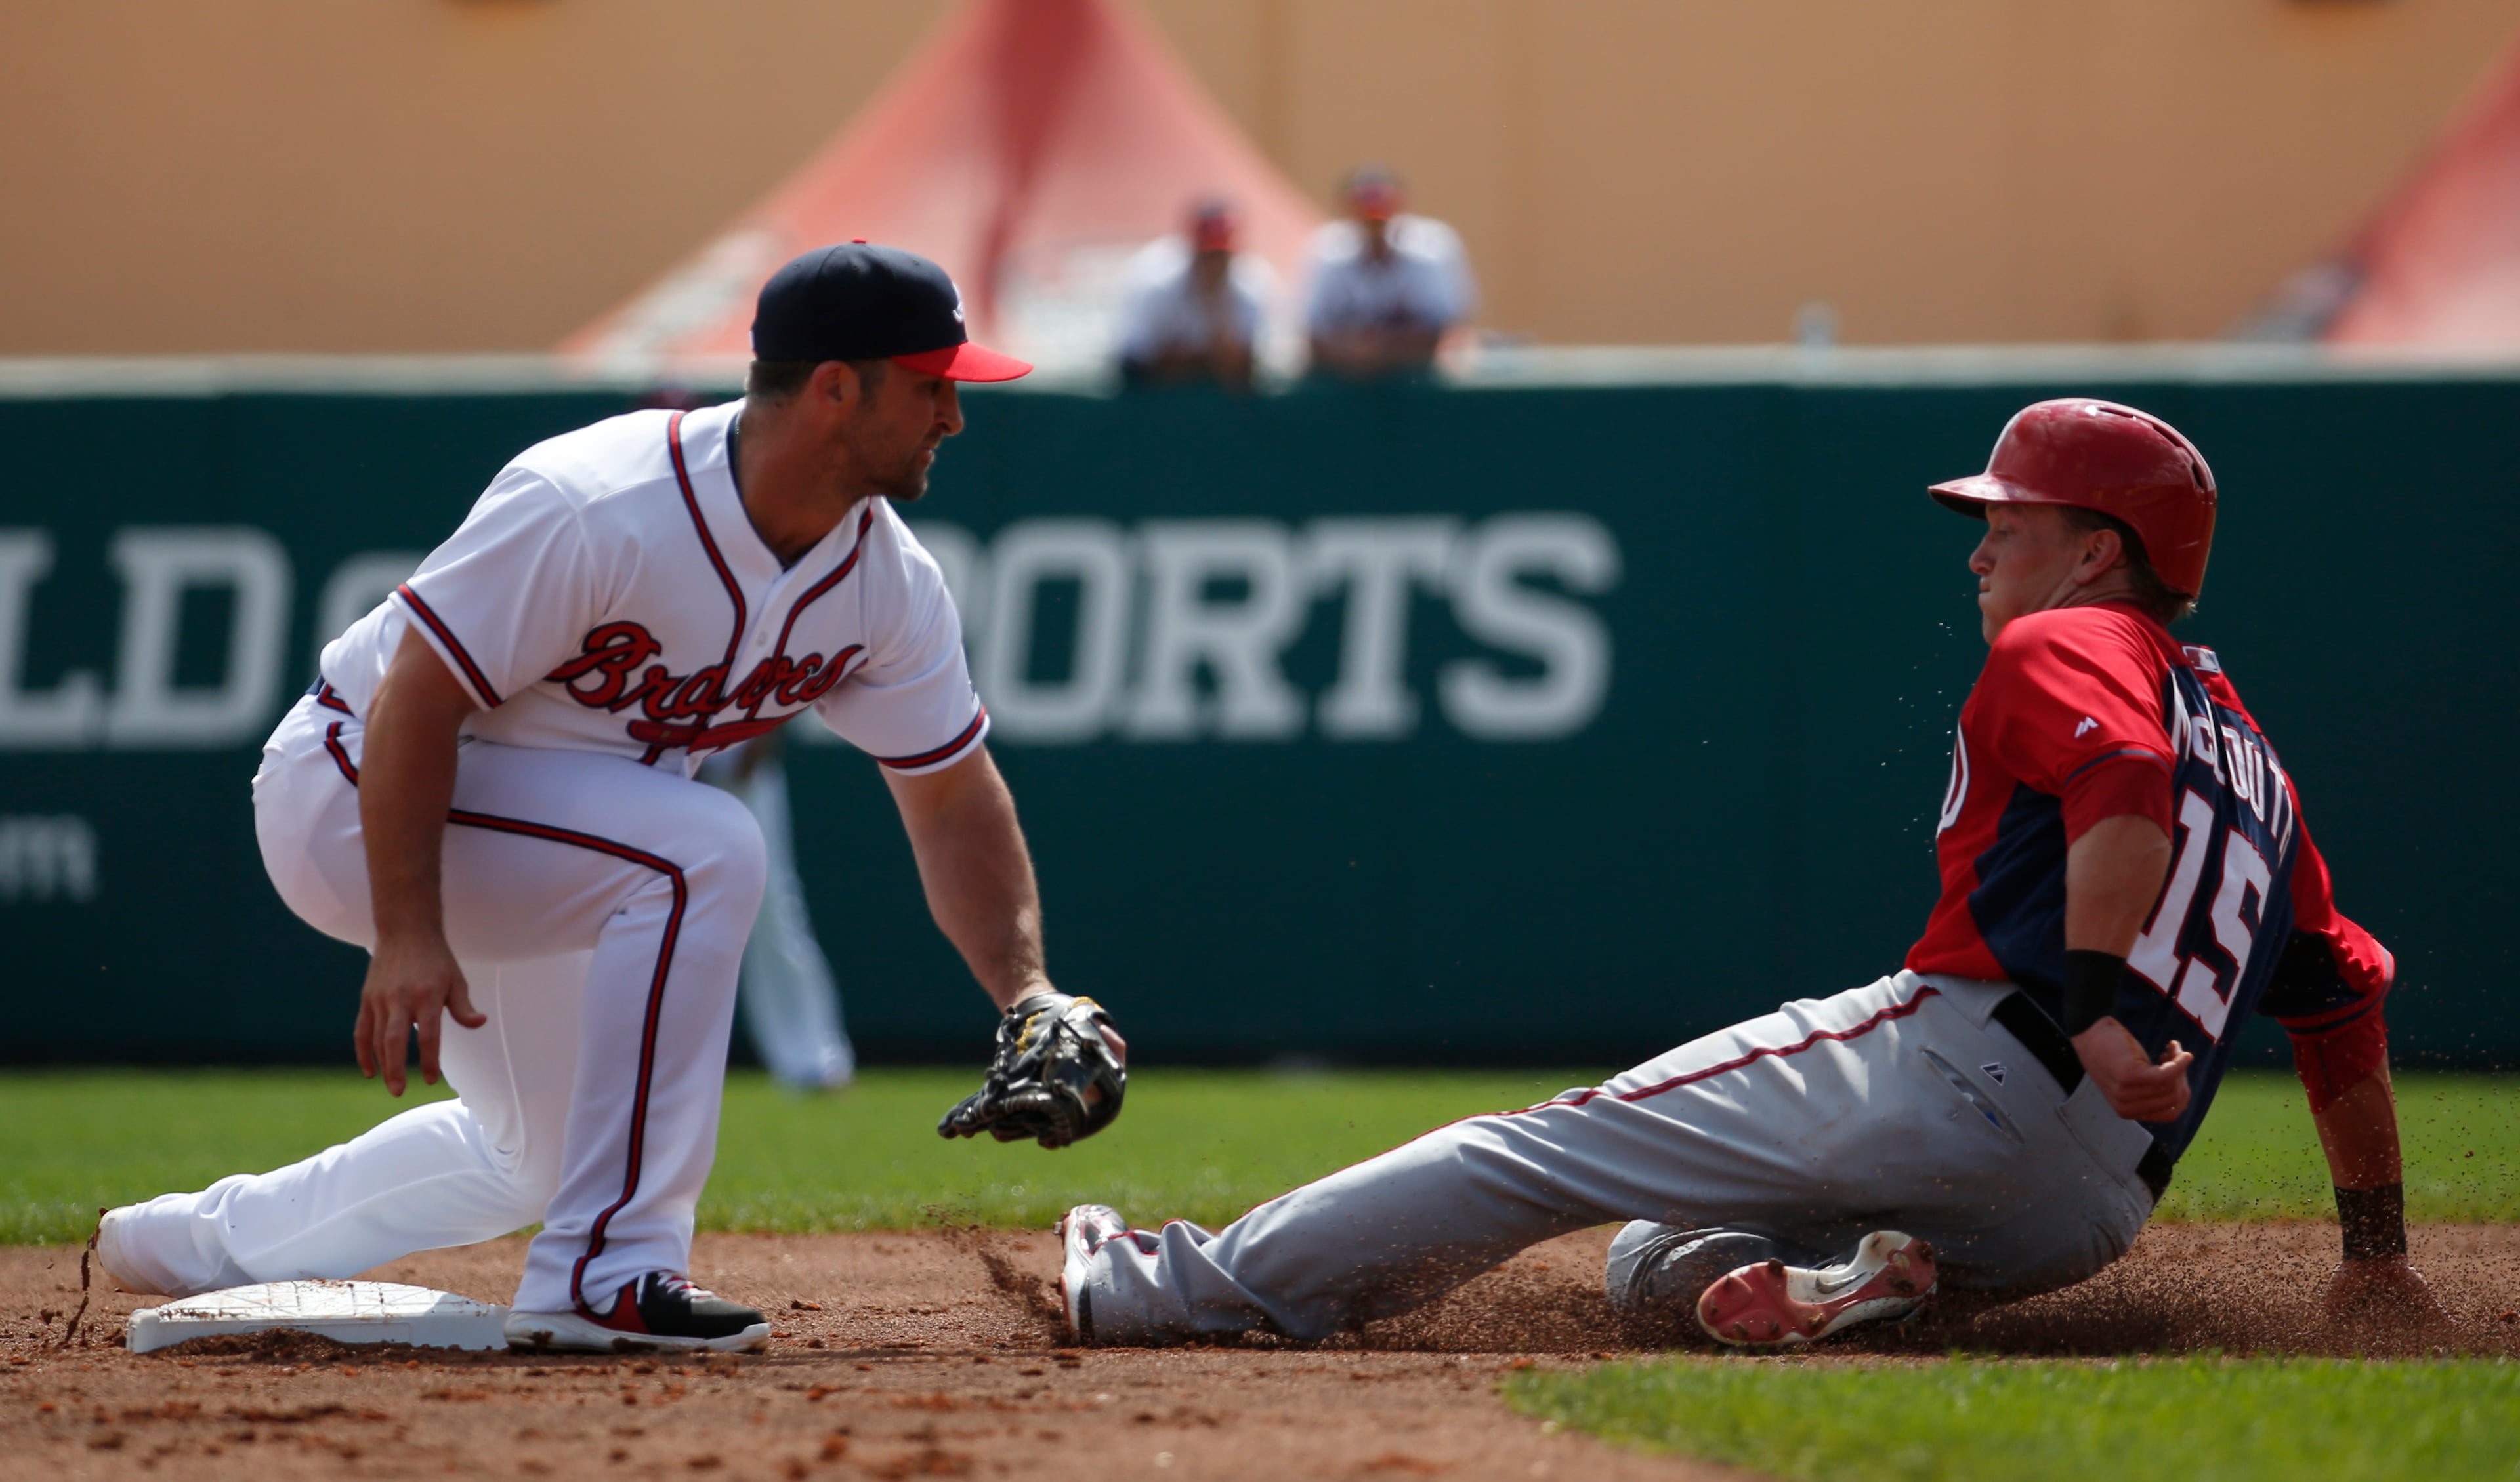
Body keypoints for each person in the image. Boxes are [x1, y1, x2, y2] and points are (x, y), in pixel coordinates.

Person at [1056, 398, 2442, 1349]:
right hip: (2090, 1208)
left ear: (2097, 551)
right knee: (1650, 1248)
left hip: (1974, 1068)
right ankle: (1832, 1292)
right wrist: (2374, 1253)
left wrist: (2091, 1001)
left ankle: (1165, 1291)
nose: (1980, 545)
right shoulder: (2258, 760)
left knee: (1539, 1149)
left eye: (2009, 523)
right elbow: (2338, 1000)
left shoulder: (2075, 642)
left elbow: (2122, 785)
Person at [94, 243, 1129, 1354]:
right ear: (835, 385)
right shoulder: (600, 501)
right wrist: (406, 929)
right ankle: (606, 1269)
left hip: (542, 830)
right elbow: (414, 700)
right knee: (706, 849)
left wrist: (1027, 988)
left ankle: (188, 1244)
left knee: (533, 1151)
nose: (954, 416)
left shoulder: (886, 582)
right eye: (933, 383)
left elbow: (952, 801)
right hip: (352, 791)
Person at [696, 732, 856, 1091]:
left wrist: (757, 744)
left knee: (771, 913)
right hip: (654, 766)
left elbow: (780, 686)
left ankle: (813, 1060)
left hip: (739, 772)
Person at [1301, 166, 1477, 380]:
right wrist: (1361, 356)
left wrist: (1378, 355)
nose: (1375, 222)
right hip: (1346, 381)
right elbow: (1312, 334)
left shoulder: (1432, 250)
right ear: (1346, 210)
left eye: (1384, 211)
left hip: (1420, 381)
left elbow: (1448, 332)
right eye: (1365, 211)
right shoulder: (1326, 250)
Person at [1115, 198, 1273, 390]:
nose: (1214, 264)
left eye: (1221, 255)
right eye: (1208, 254)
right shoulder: (1158, 284)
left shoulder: (1251, 286)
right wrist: (1206, 361)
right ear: (1192, 248)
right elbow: (1138, 363)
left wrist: (1217, 311)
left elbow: (1242, 369)